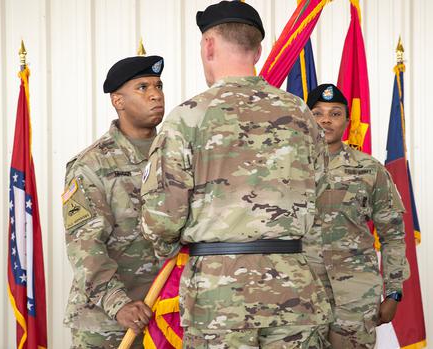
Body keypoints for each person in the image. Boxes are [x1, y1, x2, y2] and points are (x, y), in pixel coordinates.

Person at [140, 1, 332, 348]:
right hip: (294, 288)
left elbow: (161, 217)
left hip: (218, 294)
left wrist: (176, 246)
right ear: (258, 50)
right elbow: (321, 193)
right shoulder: (300, 113)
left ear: (209, 45)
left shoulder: (188, 117)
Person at [61, 55, 165, 349]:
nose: (155, 94)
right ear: (118, 101)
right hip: (108, 323)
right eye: (142, 87)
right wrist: (119, 304)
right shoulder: (90, 165)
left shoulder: (176, 156)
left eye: (158, 85)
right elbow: (85, 246)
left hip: (166, 316)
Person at [304, 83, 410, 349]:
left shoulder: (369, 169)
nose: (326, 119)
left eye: (335, 113)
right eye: (317, 113)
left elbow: (393, 235)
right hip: (300, 296)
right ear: (305, 120)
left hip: (355, 297)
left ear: (347, 122)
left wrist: (393, 292)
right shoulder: (287, 169)